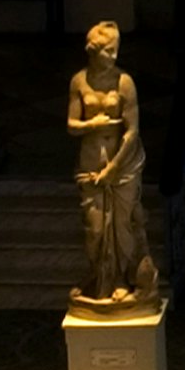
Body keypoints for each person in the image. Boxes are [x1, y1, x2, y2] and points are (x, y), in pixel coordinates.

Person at [69, 22, 158, 312]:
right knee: (95, 229)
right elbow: (71, 125)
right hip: (91, 161)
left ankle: (120, 279)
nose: (113, 56)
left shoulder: (124, 83)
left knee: (121, 225)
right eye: (108, 51)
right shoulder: (79, 82)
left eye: (115, 50)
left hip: (123, 165)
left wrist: (114, 168)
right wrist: (89, 124)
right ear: (94, 51)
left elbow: (132, 132)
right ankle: (100, 278)